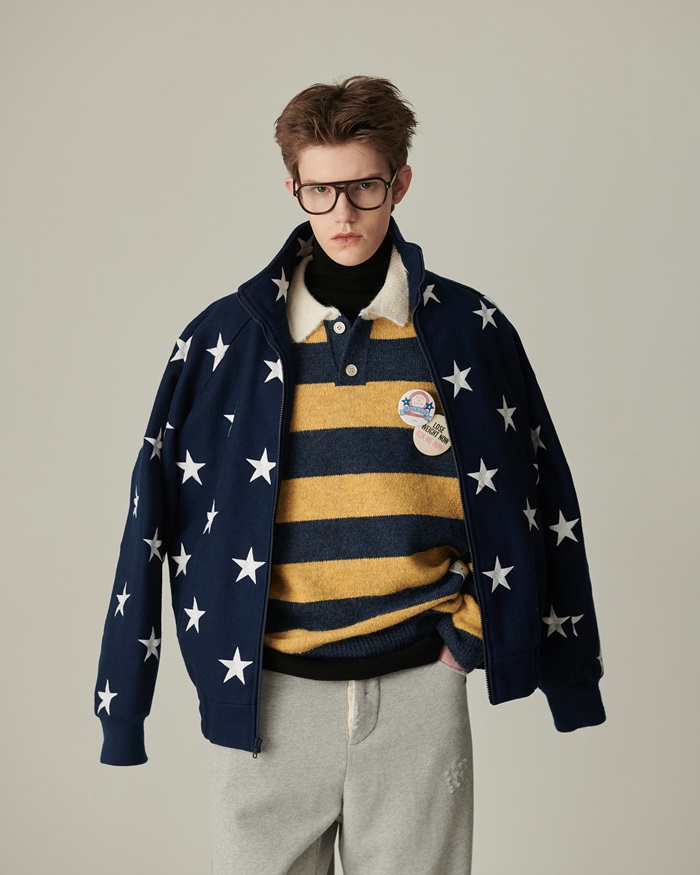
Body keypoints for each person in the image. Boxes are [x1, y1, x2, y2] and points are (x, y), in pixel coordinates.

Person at [94, 75, 605, 874]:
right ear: (292, 189)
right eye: (320, 191)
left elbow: (537, 492)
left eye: (364, 187)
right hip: (263, 701)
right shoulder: (225, 341)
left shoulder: (467, 331)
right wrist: (124, 707)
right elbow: (150, 518)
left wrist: (479, 645)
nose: (343, 213)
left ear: (399, 182)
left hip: (417, 692)